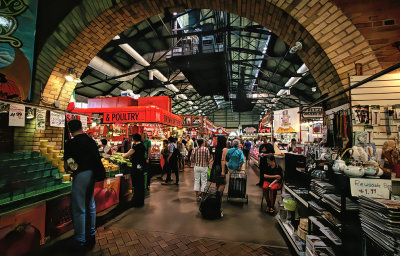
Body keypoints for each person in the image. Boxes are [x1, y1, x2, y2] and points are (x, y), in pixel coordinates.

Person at [64, 120, 105, 251]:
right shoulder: (90, 141)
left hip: (81, 174)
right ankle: (91, 235)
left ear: (70, 130)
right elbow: (97, 158)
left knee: (79, 207)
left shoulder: (71, 143)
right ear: (81, 127)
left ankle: (80, 240)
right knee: (90, 204)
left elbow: (68, 164)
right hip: (93, 174)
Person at [123, 133, 146, 207]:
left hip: (136, 166)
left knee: (136, 183)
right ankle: (140, 201)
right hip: (140, 166)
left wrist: (122, 155)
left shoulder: (136, 146)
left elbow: (126, 155)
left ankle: (136, 201)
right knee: (140, 183)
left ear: (134, 139)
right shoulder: (142, 145)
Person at [211, 136, 228, 204]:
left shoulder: (216, 148)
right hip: (220, 168)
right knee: (222, 183)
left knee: (218, 183)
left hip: (215, 167)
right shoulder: (224, 149)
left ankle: (216, 196)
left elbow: (214, 158)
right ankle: (218, 198)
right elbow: (223, 160)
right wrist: (223, 171)